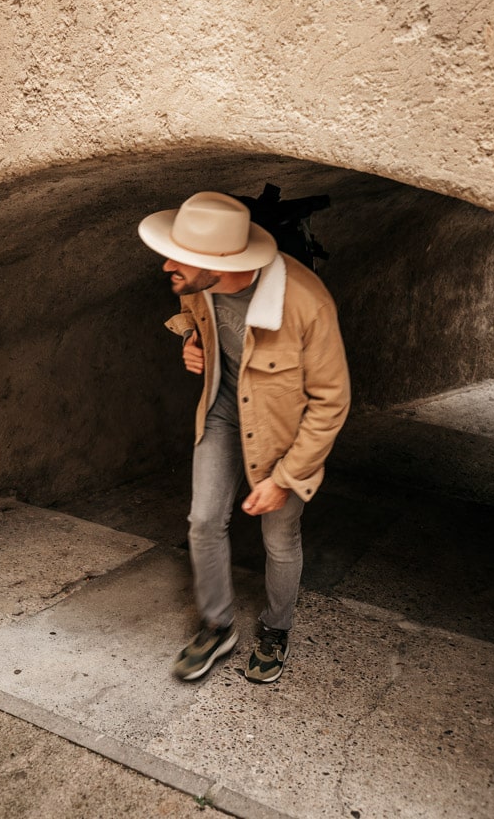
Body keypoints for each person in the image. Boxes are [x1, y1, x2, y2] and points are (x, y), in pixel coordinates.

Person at [138, 191, 350, 683]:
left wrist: (287, 476)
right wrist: (192, 343)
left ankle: (277, 628)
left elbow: (331, 402)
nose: (170, 264)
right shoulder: (197, 281)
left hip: (282, 432)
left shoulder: (307, 302)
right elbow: (198, 320)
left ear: (222, 261)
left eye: (182, 258)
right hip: (224, 411)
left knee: (279, 537)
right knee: (204, 519)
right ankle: (217, 626)